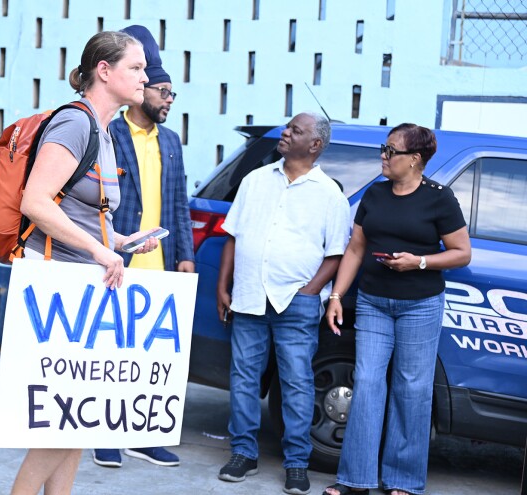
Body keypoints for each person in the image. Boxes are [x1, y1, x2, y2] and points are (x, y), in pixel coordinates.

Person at [10, 30, 163, 495]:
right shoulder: (75, 123)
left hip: (83, 284)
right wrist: (101, 250)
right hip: (57, 285)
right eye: (135, 68)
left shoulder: (105, 127)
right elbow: (36, 202)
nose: (145, 76)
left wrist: (120, 240)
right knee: (62, 422)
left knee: (80, 417)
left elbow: (80, 212)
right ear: (104, 71)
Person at [323, 124, 471, 495]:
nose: (383, 156)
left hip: (419, 306)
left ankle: (402, 481)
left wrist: (418, 262)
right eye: (384, 149)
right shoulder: (375, 193)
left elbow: (461, 252)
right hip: (374, 302)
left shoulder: (440, 198)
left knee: (412, 389)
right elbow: (356, 248)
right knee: (368, 383)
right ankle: (354, 479)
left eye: (391, 151)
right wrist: (337, 296)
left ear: (415, 160)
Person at [215, 112, 350, 495]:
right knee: (243, 377)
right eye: (288, 127)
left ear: (315, 145)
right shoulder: (255, 180)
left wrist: (310, 292)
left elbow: (336, 254)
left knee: (296, 382)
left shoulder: (329, 194)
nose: (286, 133)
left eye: (296, 130)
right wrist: (222, 286)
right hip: (249, 297)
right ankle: (243, 453)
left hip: (296, 302)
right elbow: (233, 236)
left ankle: (296, 462)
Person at [91, 24, 193, 470]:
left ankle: (146, 435)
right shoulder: (109, 133)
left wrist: (186, 255)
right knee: (112, 352)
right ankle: (102, 435)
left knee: (149, 359)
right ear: (143, 88)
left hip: (162, 265)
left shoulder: (170, 142)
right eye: (164, 91)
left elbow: (178, 203)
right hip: (119, 262)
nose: (169, 100)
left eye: (173, 93)